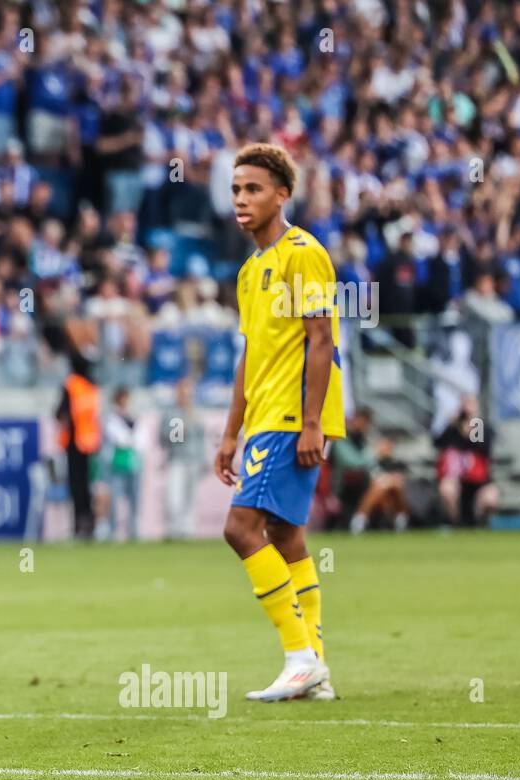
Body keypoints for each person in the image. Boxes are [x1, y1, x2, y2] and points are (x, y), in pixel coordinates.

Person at [215, 143, 345, 703]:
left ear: (282, 195)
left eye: (254, 189)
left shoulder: (302, 254)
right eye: (236, 189)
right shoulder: (250, 272)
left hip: (294, 416)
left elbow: (321, 339)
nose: (242, 200)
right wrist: (229, 431)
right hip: (266, 414)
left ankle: (298, 657)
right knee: (286, 535)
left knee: (240, 530)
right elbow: (250, 355)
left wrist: (312, 423)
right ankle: (316, 670)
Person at [55, 355, 101, 539]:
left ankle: (79, 526)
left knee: (76, 487)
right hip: (90, 443)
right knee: (89, 487)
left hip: (75, 443)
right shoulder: (91, 387)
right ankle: (90, 525)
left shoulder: (72, 385)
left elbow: (60, 413)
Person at [435, 394, 499, 526]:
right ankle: (455, 524)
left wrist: (471, 427)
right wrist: (452, 425)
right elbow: (438, 442)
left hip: (478, 479)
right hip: (457, 477)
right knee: (447, 489)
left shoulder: (480, 426)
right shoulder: (454, 428)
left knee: (491, 497)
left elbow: (481, 446)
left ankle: (481, 524)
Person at [160, 377, 208, 539]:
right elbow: (167, 439)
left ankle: (188, 529)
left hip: (194, 459)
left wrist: (204, 458)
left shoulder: (196, 412)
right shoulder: (172, 413)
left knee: (191, 496)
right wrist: (180, 432)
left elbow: (201, 438)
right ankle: (174, 528)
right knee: (175, 495)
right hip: (178, 459)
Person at [104, 386, 145, 541]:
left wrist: (131, 440)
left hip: (134, 463)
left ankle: (134, 530)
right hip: (117, 463)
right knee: (115, 499)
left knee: (135, 499)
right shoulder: (112, 417)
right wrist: (131, 439)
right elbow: (119, 439)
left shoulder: (134, 417)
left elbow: (142, 440)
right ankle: (114, 530)